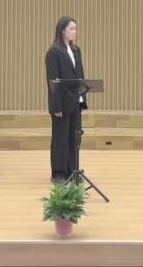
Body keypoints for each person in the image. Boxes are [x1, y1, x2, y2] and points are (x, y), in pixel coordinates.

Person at [44, 16, 88, 184]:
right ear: (62, 30)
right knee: (60, 138)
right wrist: (56, 106)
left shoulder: (76, 50)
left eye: (75, 29)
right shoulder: (53, 52)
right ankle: (59, 173)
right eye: (71, 29)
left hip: (75, 101)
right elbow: (52, 81)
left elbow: (80, 76)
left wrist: (82, 99)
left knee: (74, 137)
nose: (74, 32)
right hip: (61, 103)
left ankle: (72, 169)